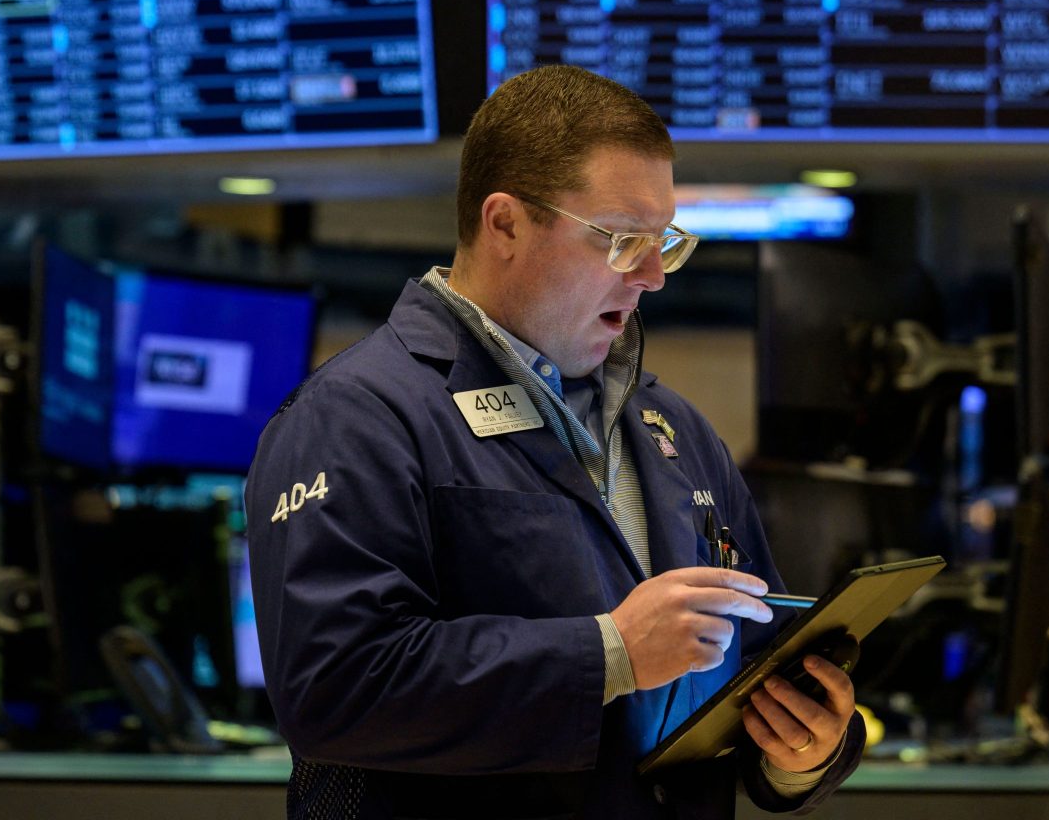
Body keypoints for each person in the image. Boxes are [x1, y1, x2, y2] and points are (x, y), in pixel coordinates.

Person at [245, 65, 865, 819]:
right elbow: (333, 691)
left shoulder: (674, 427)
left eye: (664, 241)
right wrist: (610, 655)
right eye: (623, 239)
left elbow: (753, 671)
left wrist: (802, 752)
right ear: (505, 223)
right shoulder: (355, 416)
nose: (653, 276)